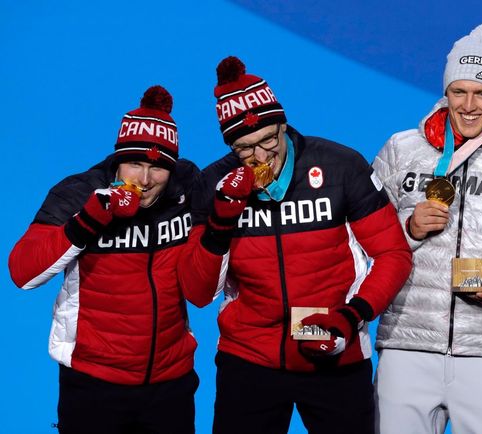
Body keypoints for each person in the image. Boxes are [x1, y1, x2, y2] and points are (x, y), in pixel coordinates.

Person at [178, 56, 412, 434]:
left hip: (337, 350)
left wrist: (352, 317)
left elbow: (394, 255)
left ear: (282, 124)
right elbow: (198, 292)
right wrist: (221, 224)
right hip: (249, 360)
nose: (261, 157)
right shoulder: (213, 183)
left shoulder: (340, 166)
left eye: (269, 139)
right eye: (244, 149)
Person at [372, 24, 482, 434]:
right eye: (459, 91)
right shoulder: (401, 150)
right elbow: (357, 242)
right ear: (445, 91)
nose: (469, 105)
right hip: (406, 343)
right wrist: (408, 227)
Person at [9, 86, 200, 434]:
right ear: (117, 161)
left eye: (157, 168)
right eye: (135, 164)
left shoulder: (186, 187)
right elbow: (22, 272)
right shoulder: (77, 193)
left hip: (171, 381)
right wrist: (88, 221)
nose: (144, 180)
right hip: (93, 383)